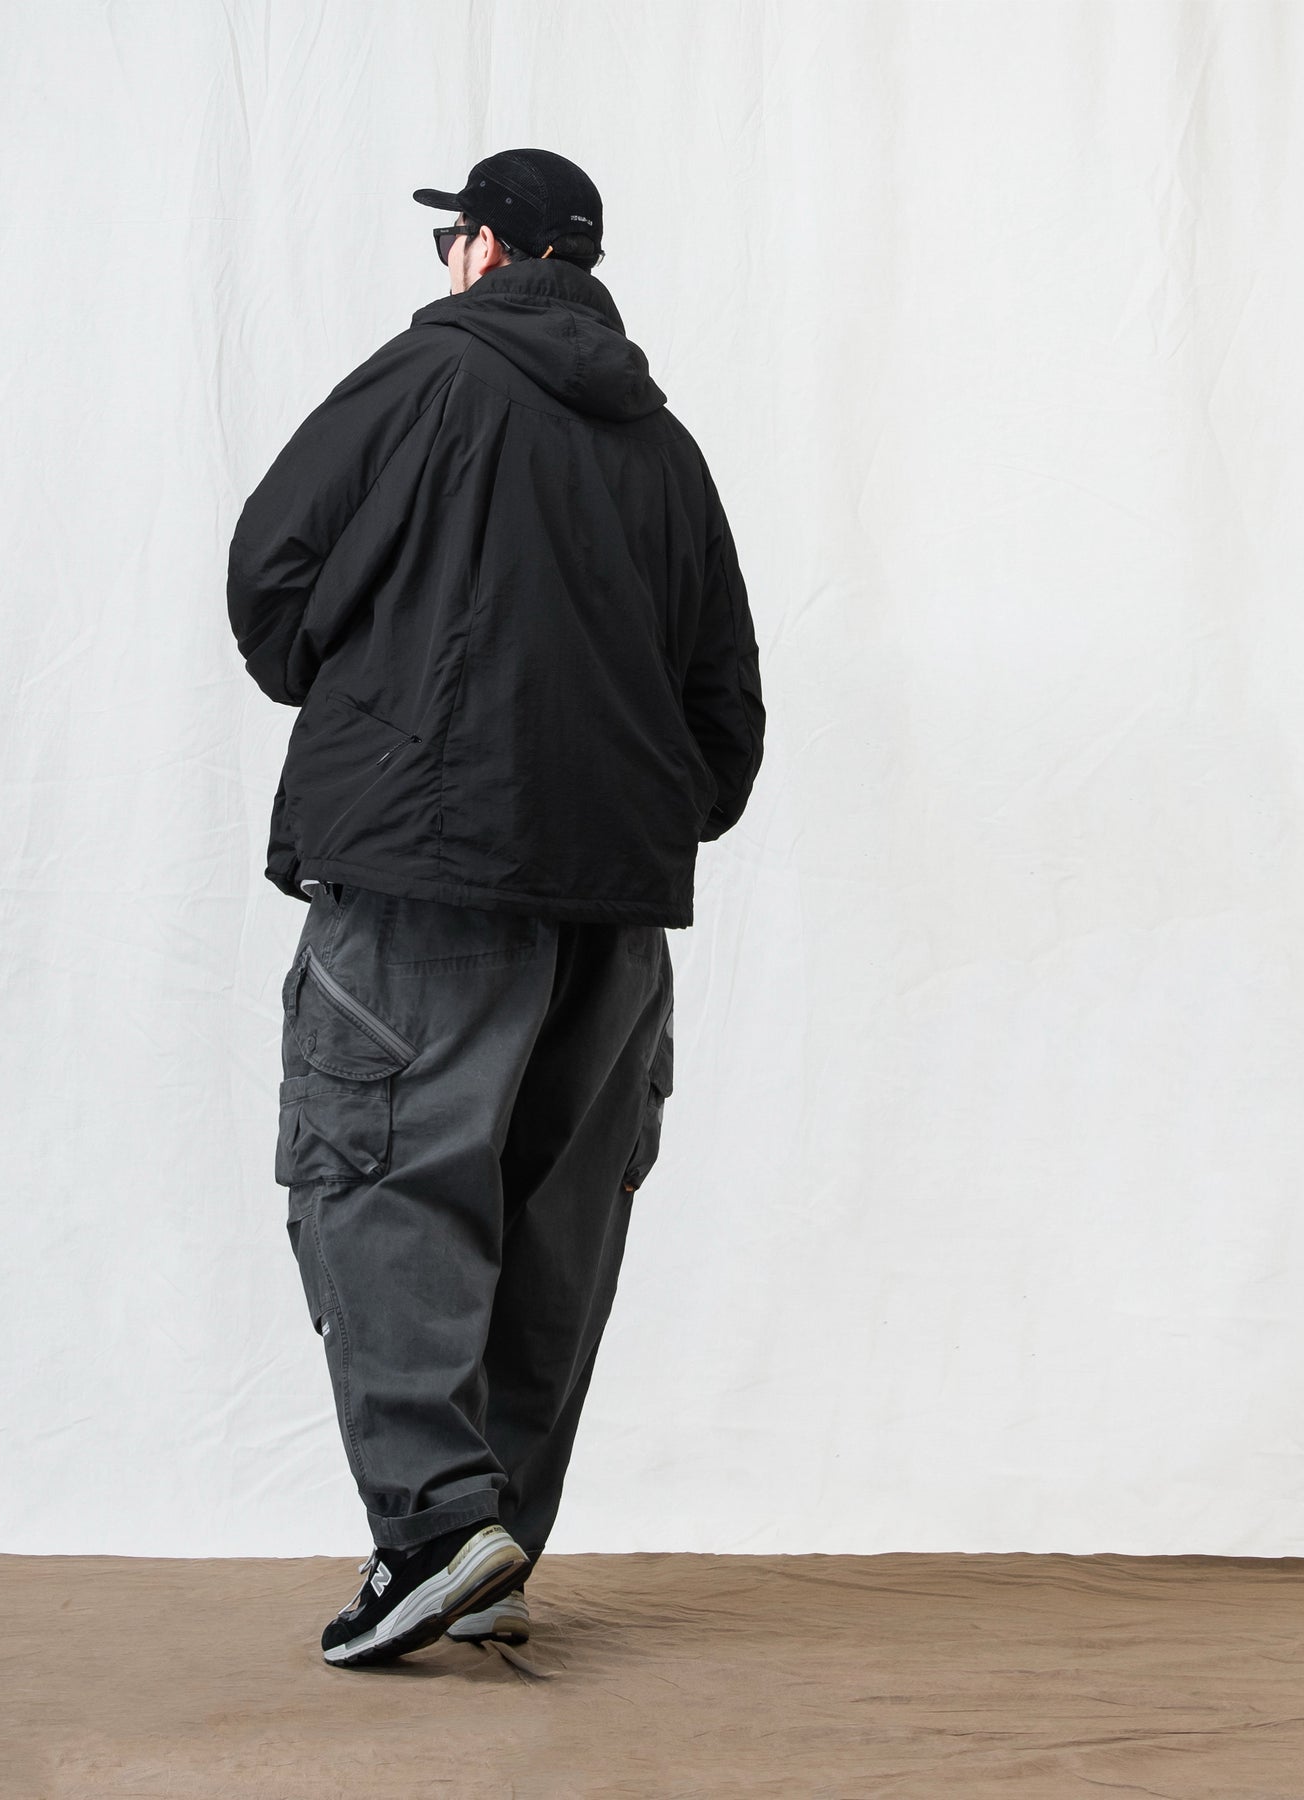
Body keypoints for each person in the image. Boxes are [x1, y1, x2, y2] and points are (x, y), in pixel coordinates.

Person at [227, 148, 765, 1669]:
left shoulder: (425, 379)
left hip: (426, 872)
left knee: (381, 1183)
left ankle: (432, 1533)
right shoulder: (666, 448)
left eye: (453, 234)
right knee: (554, 1227)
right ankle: (491, 1543)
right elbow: (726, 713)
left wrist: (383, 706)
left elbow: (271, 577)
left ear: (489, 250)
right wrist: (625, 809)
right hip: (615, 912)